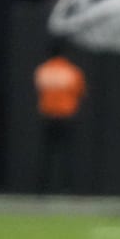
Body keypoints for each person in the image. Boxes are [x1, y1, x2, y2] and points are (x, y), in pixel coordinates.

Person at [34, 39, 87, 194]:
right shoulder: (72, 71)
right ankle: (67, 188)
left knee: (46, 155)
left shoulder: (42, 71)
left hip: (48, 117)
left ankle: (42, 189)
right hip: (66, 117)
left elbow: (39, 90)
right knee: (68, 154)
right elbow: (80, 93)